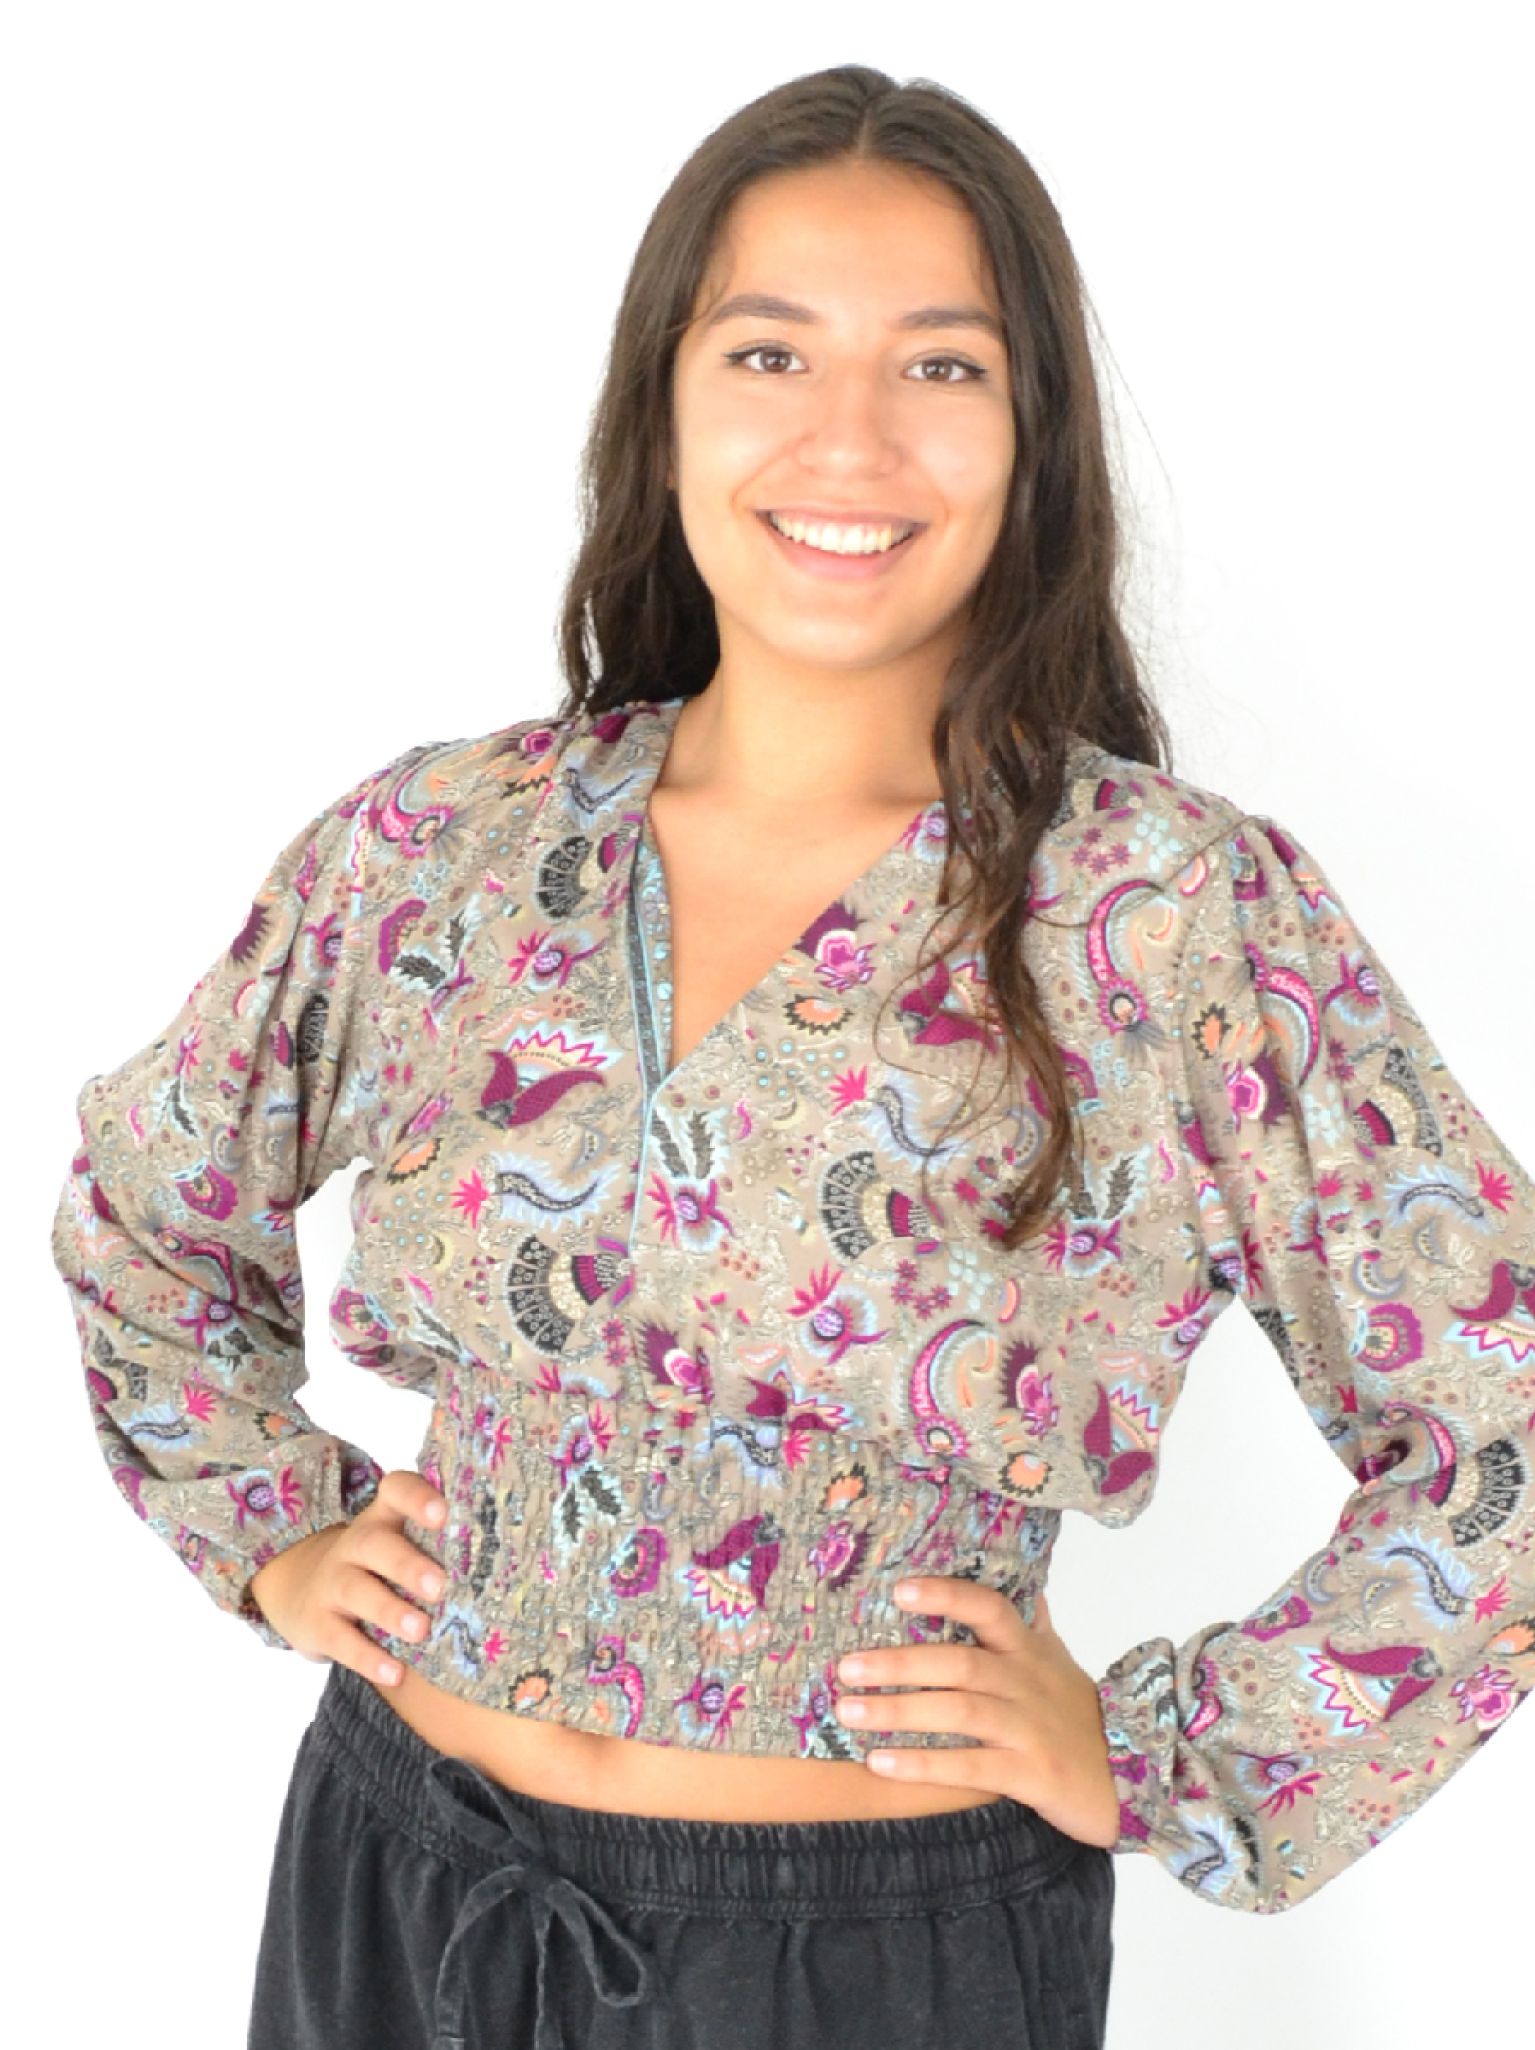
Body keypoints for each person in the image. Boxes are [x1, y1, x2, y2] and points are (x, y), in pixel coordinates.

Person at [50, 63, 1533, 2050]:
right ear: (662, 404)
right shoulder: (442, 846)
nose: (851, 435)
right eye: (769, 351)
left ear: (1034, 431)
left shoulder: (1167, 913)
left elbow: (1505, 1419)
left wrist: (1177, 1753)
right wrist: (275, 1530)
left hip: (868, 1959)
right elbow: (147, 1201)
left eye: (941, 365)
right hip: (403, 1883)